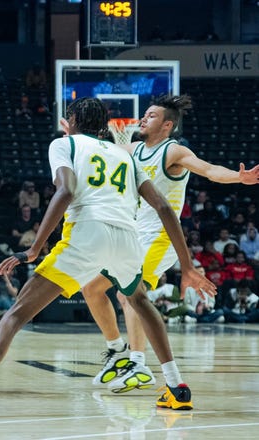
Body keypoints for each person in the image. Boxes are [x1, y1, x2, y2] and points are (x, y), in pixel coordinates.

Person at [0, 97, 216, 418]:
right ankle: (176, 388)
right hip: (125, 238)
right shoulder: (125, 155)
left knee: (16, 314)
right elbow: (164, 207)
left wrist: (35, 249)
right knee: (139, 301)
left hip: (88, 235)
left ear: (73, 121)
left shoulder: (64, 145)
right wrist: (186, 265)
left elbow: (65, 191)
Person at [73, 94, 258, 395]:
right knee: (91, 289)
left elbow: (209, 169)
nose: (143, 119)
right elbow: (101, 155)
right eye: (143, 115)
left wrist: (239, 177)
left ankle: (138, 363)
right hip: (130, 234)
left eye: (151, 116)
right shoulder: (131, 148)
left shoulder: (173, 151)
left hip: (159, 236)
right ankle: (117, 351)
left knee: (128, 294)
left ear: (167, 125)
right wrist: (78, 134)